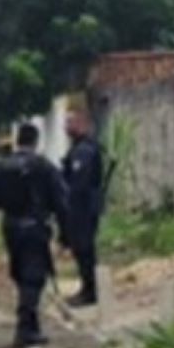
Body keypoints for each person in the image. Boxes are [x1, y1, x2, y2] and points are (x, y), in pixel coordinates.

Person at [0, 123, 69, 348]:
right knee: (34, 277)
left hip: (11, 227)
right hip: (35, 227)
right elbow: (61, 202)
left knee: (21, 275)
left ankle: (31, 326)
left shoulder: (2, 167)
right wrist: (65, 235)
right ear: (36, 141)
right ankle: (25, 329)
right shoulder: (44, 167)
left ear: (17, 140)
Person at [61, 109, 104, 307]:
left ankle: (90, 291)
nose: (66, 127)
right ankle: (87, 289)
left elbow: (79, 183)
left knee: (84, 249)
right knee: (80, 249)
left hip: (83, 207)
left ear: (82, 124)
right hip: (80, 207)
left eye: (70, 122)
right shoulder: (79, 148)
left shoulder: (84, 150)